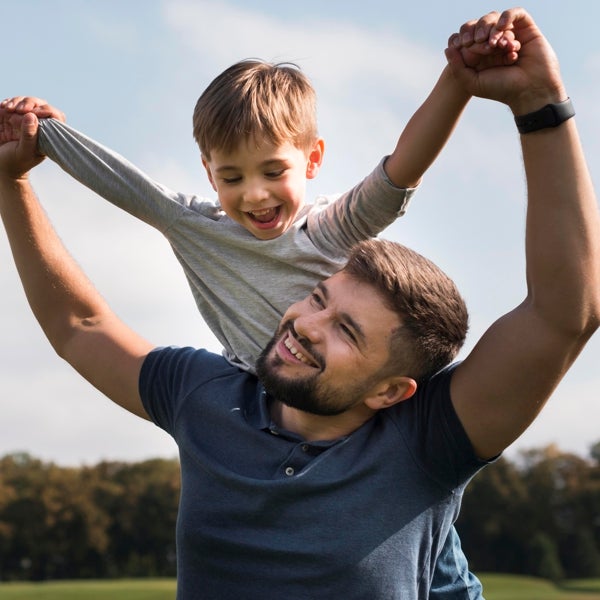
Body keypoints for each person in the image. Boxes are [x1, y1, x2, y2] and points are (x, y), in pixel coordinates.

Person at [2, 7, 598, 598]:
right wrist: (12, 180)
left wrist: (540, 104)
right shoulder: (204, 397)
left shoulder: (427, 442)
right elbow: (80, 325)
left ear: (392, 389)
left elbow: (563, 312)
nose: (305, 325)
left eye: (348, 331)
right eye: (316, 297)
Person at [0, 37, 518, 375]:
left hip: (372, 410)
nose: (254, 194)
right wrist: (43, 133)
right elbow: (121, 182)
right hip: (266, 404)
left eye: (274, 172)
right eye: (231, 177)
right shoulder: (195, 227)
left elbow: (400, 171)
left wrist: (458, 80)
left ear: (312, 159)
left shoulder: (329, 231)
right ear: (208, 173)